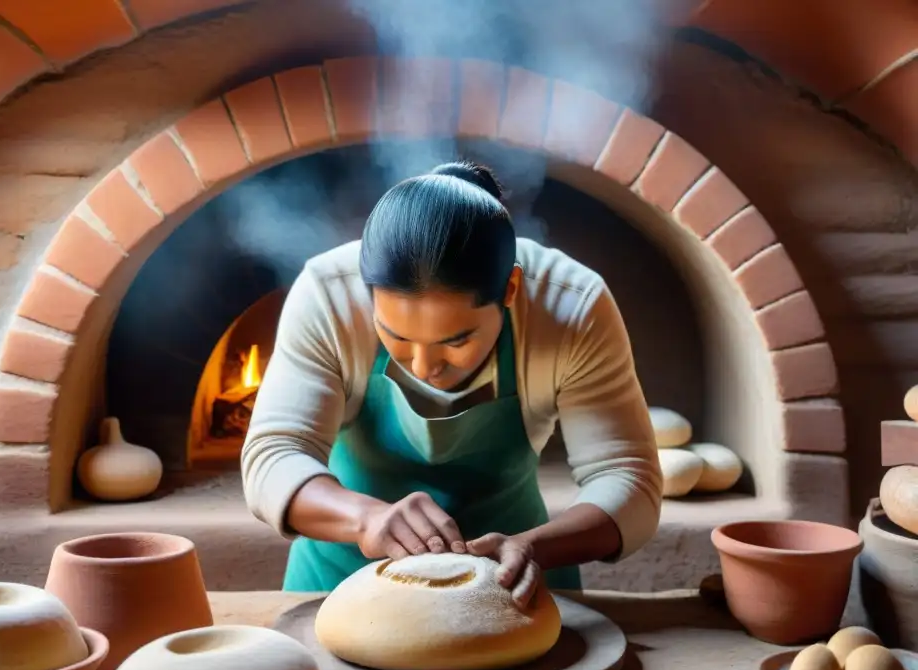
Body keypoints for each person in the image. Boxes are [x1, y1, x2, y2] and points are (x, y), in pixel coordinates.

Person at [241, 160, 663, 608]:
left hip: (511, 582)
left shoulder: (570, 306)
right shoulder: (329, 294)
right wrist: (365, 519)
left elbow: (627, 478)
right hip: (341, 580)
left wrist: (538, 548)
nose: (424, 366)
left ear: (511, 290)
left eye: (457, 340)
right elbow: (274, 456)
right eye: (397, 336)